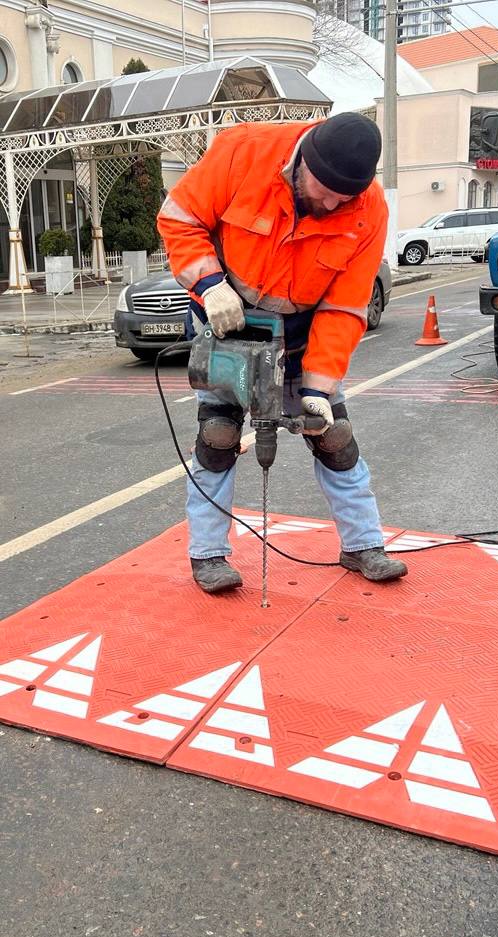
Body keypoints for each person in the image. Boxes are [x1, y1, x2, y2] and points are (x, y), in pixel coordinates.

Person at [157, 113, 408, 593]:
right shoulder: (243, 151)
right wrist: (210, 287)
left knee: (334, 436)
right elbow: (180, 219)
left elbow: (346, 304)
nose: (332, 202)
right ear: (303, 158)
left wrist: (318, 386)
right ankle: (208, 556)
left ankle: (362, 545)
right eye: (325, 189)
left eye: (344, 197)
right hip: (230, 318)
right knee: (218, 435)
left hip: (303, 331)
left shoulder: (367, 209)